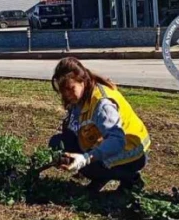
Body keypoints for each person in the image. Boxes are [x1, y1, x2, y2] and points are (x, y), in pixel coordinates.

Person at [49, 57, 151, 193]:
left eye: (70, 88)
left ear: (82, 81)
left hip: (131, 150)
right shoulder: (81, 97)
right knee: (58, 143)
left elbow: (117, 140)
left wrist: (84, 159)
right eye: (63, 91)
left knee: (89, 166)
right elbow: (72, 128)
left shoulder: (102, 104)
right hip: (109, 141)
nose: (67, 94)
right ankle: (100, 176)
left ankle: (131, 179)